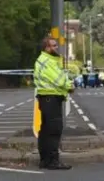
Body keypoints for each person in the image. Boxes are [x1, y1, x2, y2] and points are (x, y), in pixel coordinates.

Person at [33, 37, 73, 170]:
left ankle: (45, 160)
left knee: (45, 130)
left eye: (56, 45)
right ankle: (52, 160)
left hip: (46, 98)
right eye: (53, 46)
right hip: (51, 98)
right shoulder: (48, 61)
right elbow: (59, 79)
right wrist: (69, 85)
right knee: (54, 130)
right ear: (46, 48)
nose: (56, 48)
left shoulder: (45, 60)